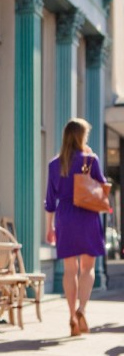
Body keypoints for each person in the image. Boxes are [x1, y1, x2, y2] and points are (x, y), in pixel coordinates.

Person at [45, 117, 107, 337]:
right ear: (82, 137)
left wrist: (49, 227)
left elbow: (50, 200)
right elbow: (102, 186)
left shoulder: (55, 164)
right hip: (87, 216)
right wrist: (89, 157)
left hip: (65, 217)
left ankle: (71, 316)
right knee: (87, 269)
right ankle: (82, 309)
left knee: (70, 270)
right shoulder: (90, 160)